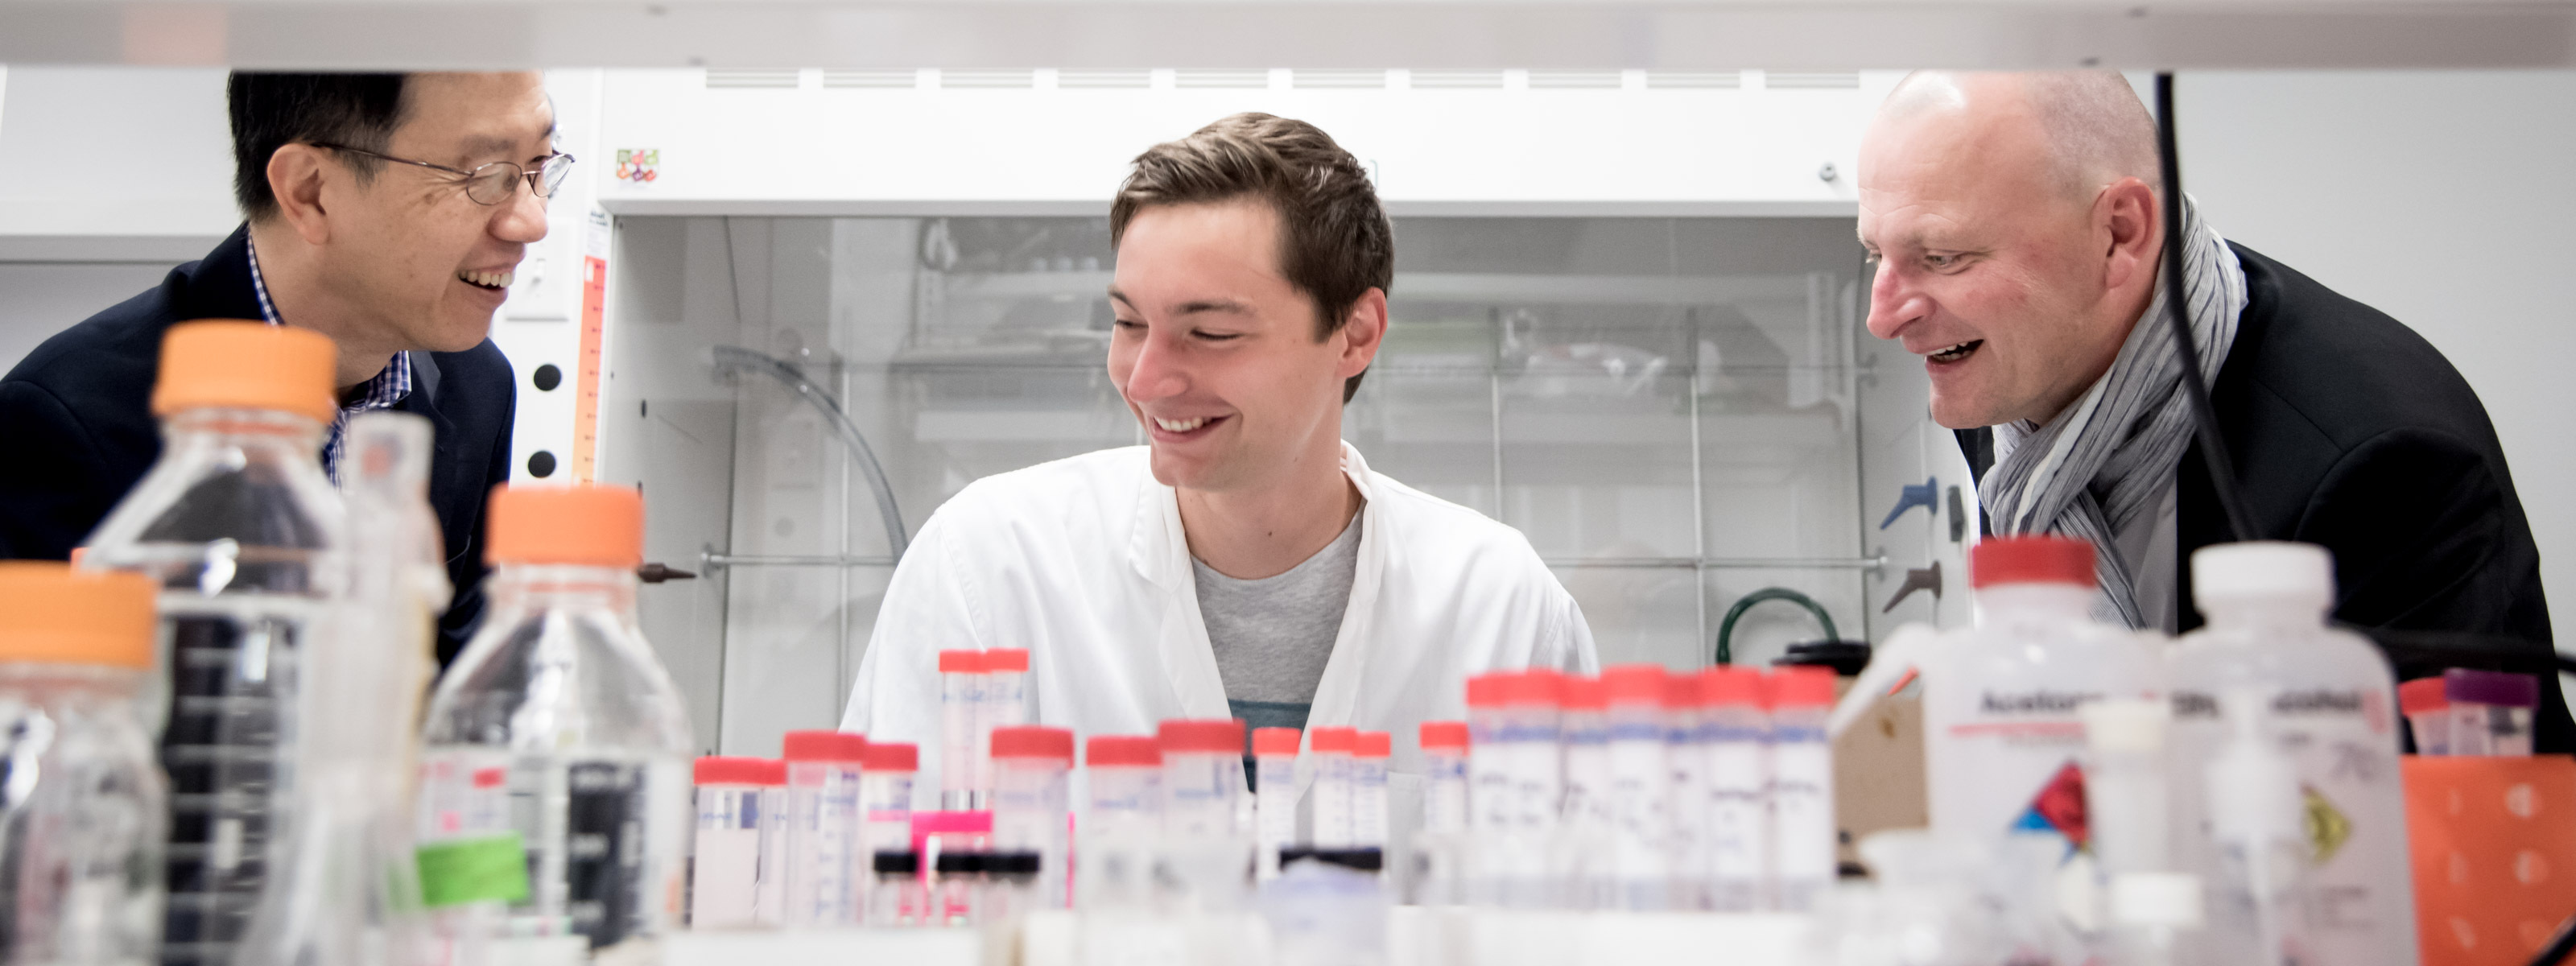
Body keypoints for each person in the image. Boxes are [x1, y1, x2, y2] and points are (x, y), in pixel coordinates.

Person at [840, 113, 1596, 795]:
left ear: (1355, 335)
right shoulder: (989, 567)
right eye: (1129, 324)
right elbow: (880, 904)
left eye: (1211, 333)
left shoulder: (1501, 607)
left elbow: (1581, 923)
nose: (1146, 380)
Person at [1858, 71, 2568, 747]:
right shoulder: (2009, 389)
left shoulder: (2380, 460)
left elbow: (2468, 831)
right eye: (1875, 256)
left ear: (2120, 233)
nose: (1883, 318)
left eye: (1944, 256)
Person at [0, 72, 557, 663]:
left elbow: (450, 686)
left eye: (541, 167)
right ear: (311, 191)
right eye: (485, 178)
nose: (532, 222)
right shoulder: (66, 420)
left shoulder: (475, 386)